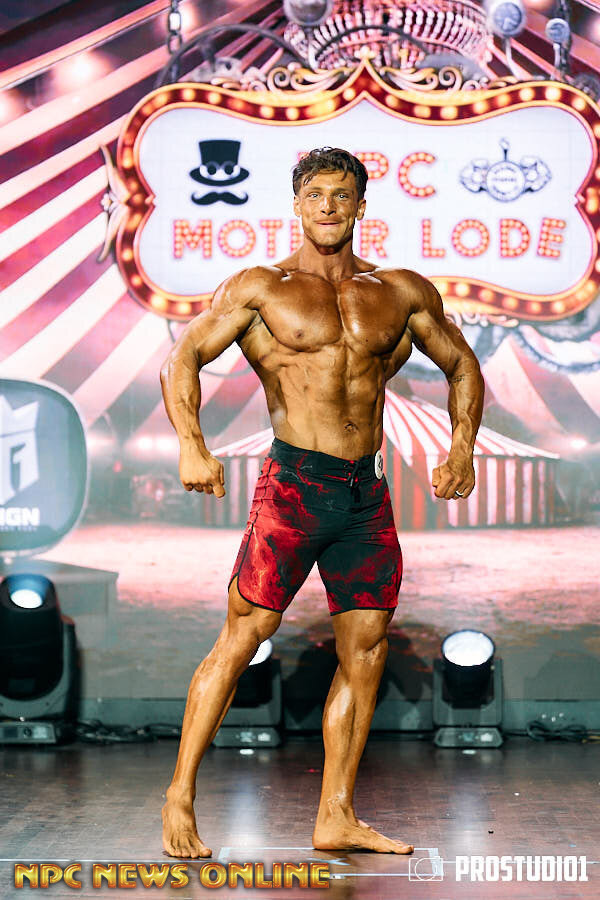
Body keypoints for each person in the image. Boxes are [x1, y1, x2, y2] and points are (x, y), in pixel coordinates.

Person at [159, 147, 484, 858]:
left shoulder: (400, 291)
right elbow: (184, 356)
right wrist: (192, 444)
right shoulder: (261, 287)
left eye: (341, 196)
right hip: (294, 487)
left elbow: (462, 362)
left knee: (365, 651)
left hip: (365, 494)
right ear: (297, 205)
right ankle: (180, 794)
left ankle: (336, 813)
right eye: (316, 195)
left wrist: (461, 446)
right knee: (243, 636)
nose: (328, 208)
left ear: (361, 206)